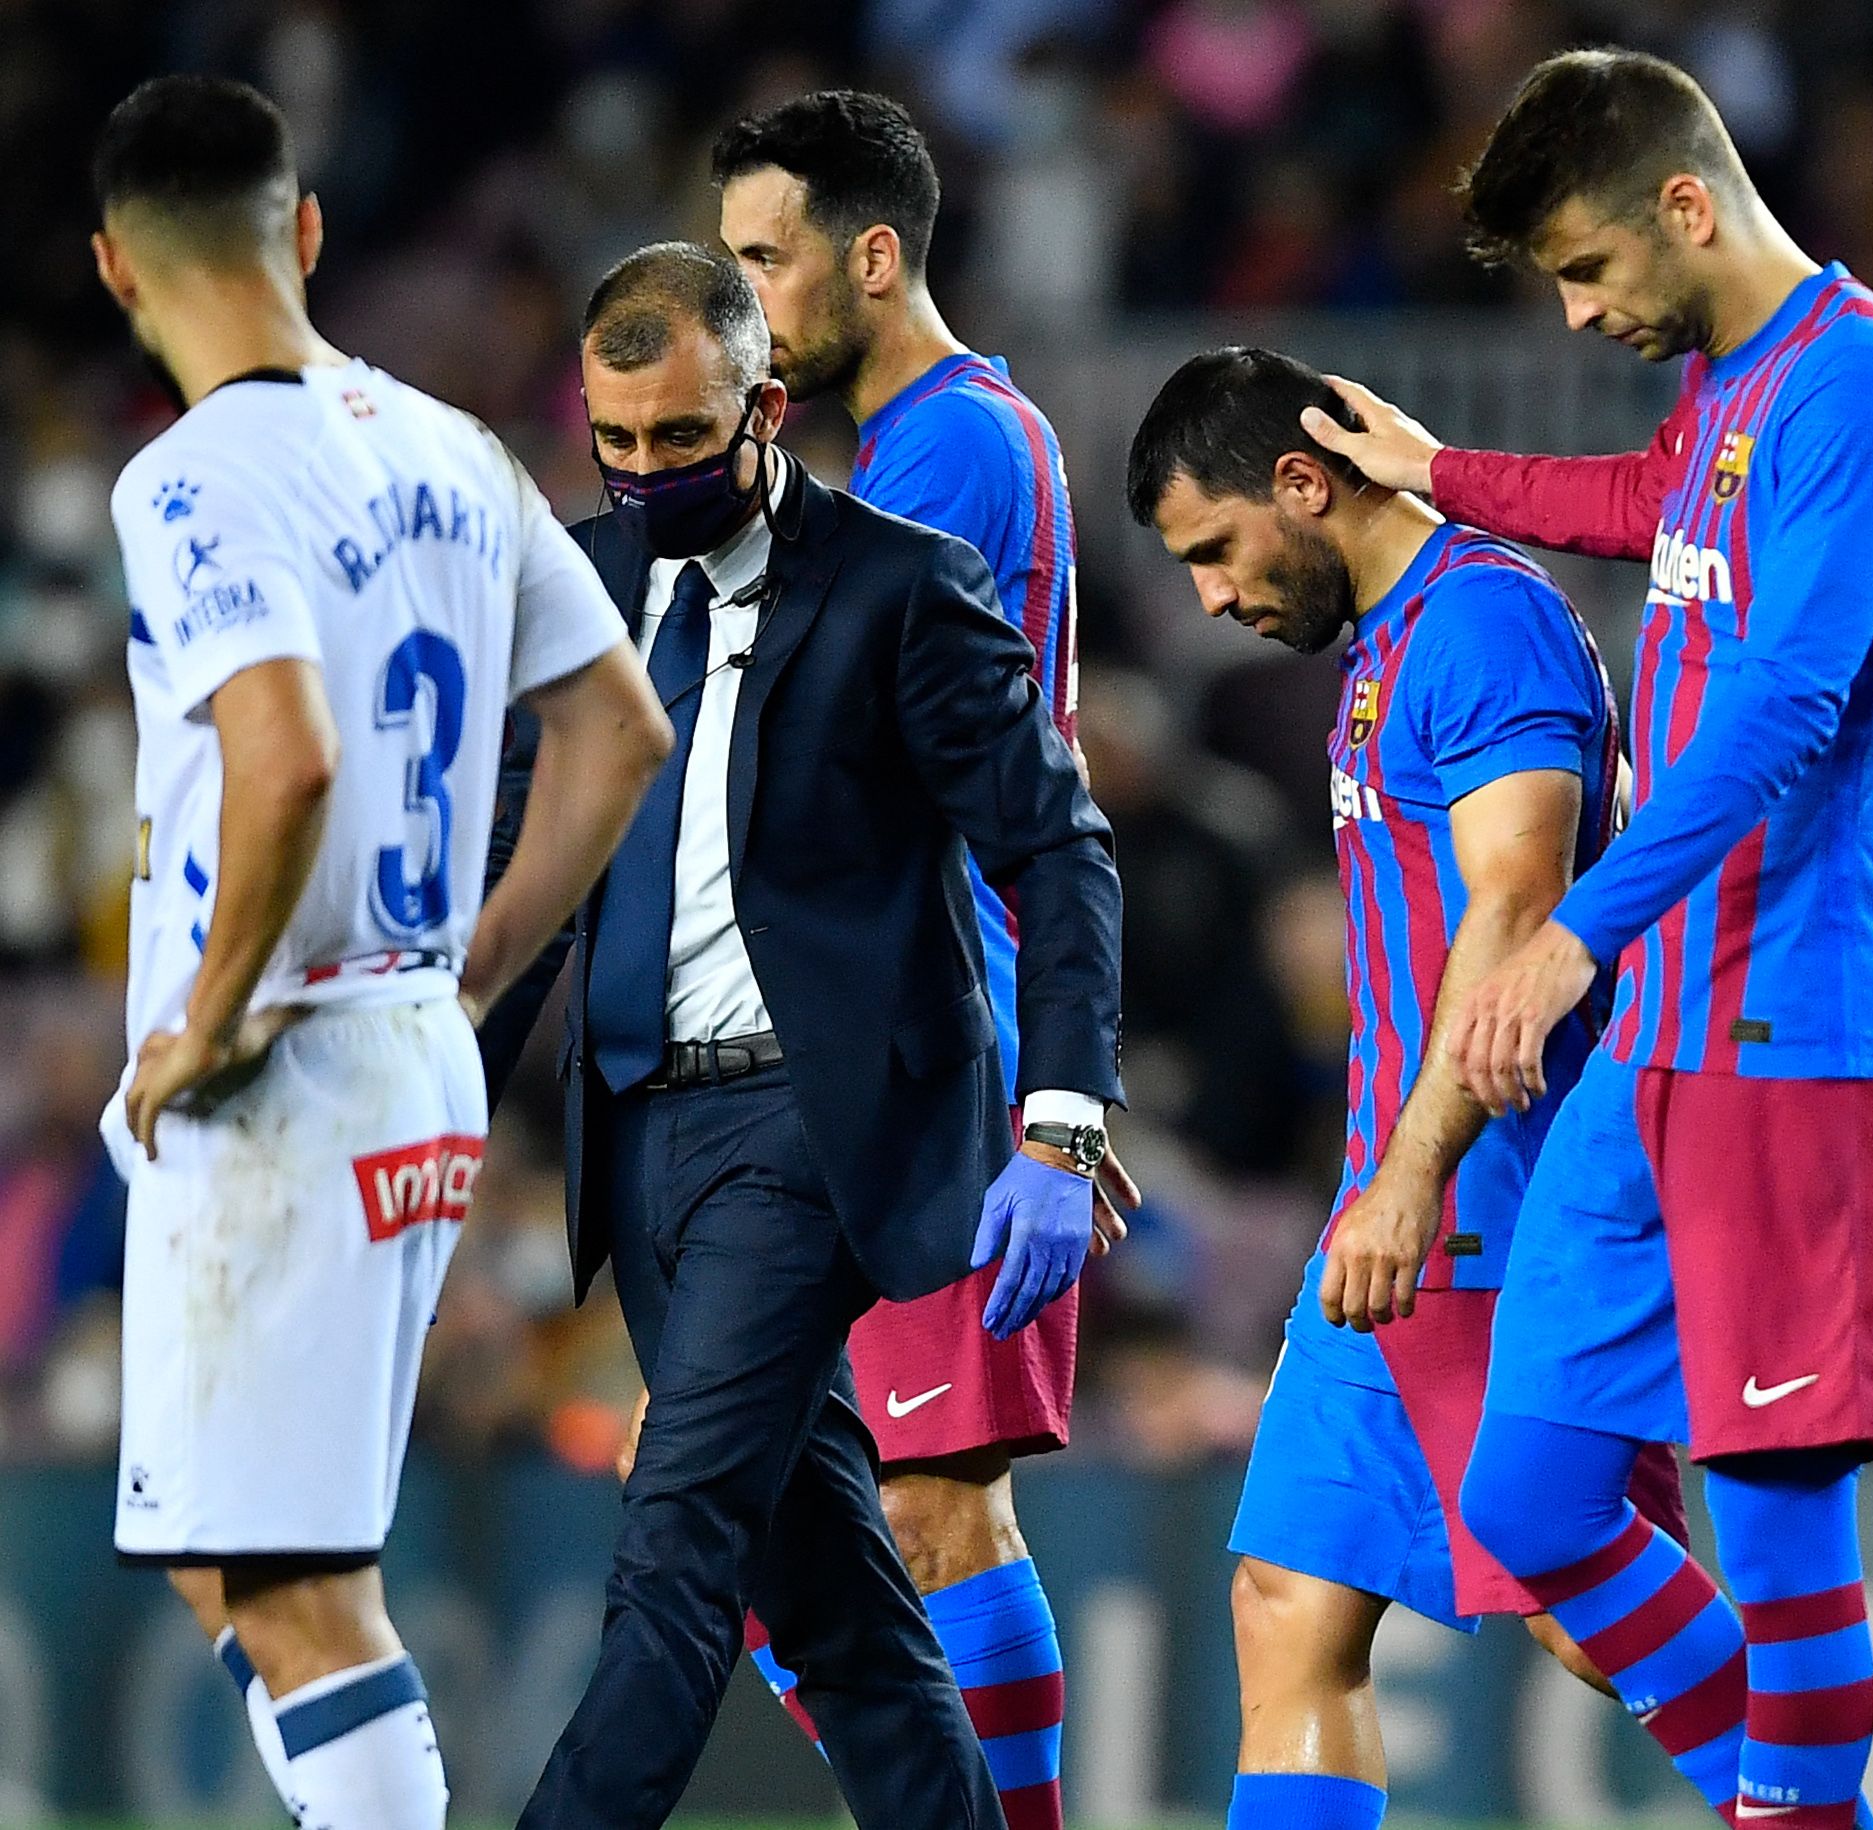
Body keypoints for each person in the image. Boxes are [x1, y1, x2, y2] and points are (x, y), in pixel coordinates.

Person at [1305, 50, 1873, 1826]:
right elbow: (1642, 511)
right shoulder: (1726, 391)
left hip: (1808, 1034)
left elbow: (1786, 712)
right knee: (1526, 1502)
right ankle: (1788, 1795)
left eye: (1589, 269)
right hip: (1669, 1044)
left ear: (1688, 204)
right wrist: (1441, 469)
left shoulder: (1864, 393)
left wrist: (1568, 937)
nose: (1583, 307)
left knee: (1769, 1521)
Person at [479, 243, 1123, 1829]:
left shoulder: (900, 583)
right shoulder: (574, 588)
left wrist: (1063, 1118)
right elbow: (520, 884)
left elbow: (1057, 845)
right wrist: (434, 1110)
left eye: (679, 441)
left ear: (765, 408)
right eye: (613, 440)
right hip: (634, 1136)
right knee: (835, 1602)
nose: (641, 475)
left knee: (676, 1541)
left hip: (806, 1132)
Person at [90, 75, 665, 1830]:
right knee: (237, 1571)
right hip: (409, 1037)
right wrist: (471, 974)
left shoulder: (190, 479)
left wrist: (200, 1025)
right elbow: (618, 730)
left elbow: (286, 753)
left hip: (285, 1063)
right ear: (309, 234)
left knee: (301, 1592)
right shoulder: (454, 448)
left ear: (116, 270)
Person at [1127, 346, 1690, 1830]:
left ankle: (1815, 1789)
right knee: (1288, 1600)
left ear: (1303, 486)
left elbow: (1515, 906)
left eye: (1213, 549)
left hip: (1492, 1202)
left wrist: (1410, 1177)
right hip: (1396, 1206)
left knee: (1580, 1601)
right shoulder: (1392, 643)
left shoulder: (1482, 625)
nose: (1206, 597)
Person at [705, 92, 1117, 1822]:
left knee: (938, 1506)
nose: (741, 306)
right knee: (750, 1515)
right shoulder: (897, 455)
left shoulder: (955, 449)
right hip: (888, 1044)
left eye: (763, 260)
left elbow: (836, 743)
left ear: (874, 256)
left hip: (947, 1044)